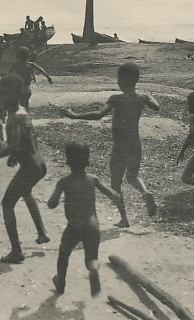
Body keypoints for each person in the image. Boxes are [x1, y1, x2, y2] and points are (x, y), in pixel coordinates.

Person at [62, 62, 159, 225]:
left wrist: (74, 115)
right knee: (133, 176)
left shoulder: (116, 99)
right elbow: (156, 106)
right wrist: (147, 96)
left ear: (120, 80)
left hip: (120, 146)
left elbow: (98, 114)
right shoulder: (142, 98)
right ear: (136, 80)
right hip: (135, 144)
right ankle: (145, 191)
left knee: (116, 183)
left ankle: (124, 218)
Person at [0, 73, 50, 263]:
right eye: (0, 95)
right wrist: (16, 157)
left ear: (16, 94)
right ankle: (42, 232)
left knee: (7, 204)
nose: (0, 99)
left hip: (30, 167)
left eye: (4, 95)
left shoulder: (12, 119)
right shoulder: (23, 112)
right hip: (38, 163)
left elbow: (12, 147)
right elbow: (28, 139)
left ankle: (16, 251)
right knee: (26, 193)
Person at [47, 141, 124, 297]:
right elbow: (113, 194)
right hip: (92, 226)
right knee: (91, 258)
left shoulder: (64, 182)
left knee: (63, 255)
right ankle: (94, 268)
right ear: (87, 160)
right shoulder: (93, 179)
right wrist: (116, 198)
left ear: (67, 161)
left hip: (74, 227)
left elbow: (51, 204)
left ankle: (60, 282)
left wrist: (55, 199)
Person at [9, 46, 52, 110]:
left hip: (18, 89)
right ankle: (27, 117)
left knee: (18, 107)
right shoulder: (31, 64)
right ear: (28, 56)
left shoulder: (16, 65)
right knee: (26, 105)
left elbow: (9, 74)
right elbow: (40, 69)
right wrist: (48, 77)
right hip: (27, 89)